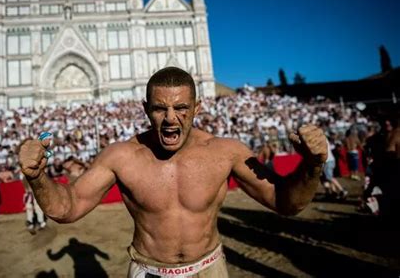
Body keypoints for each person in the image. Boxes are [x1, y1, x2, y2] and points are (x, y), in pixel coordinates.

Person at [19, 67, 327, 277]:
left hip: (209, 269)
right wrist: (37, 177)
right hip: (148, 270)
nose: (170, 119)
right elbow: (66, 207)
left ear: (197, 108)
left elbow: (287, 202)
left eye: (181, 108)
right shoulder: (123, 156)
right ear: (145, 109)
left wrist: (312, 166)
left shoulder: (225, 152)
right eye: (159, 108)